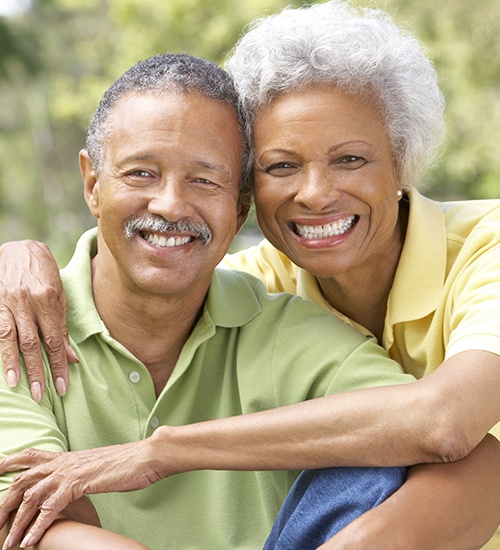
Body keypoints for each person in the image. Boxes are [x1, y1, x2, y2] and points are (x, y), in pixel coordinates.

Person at [1, 0, 500, 548]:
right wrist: (16, 256)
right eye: (282, 165)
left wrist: (160, 452)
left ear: (402, 160)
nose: (314, 193)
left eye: (350, 159)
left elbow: (449, 427)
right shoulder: (255, 282)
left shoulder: (486, 247)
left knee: (367, 461)